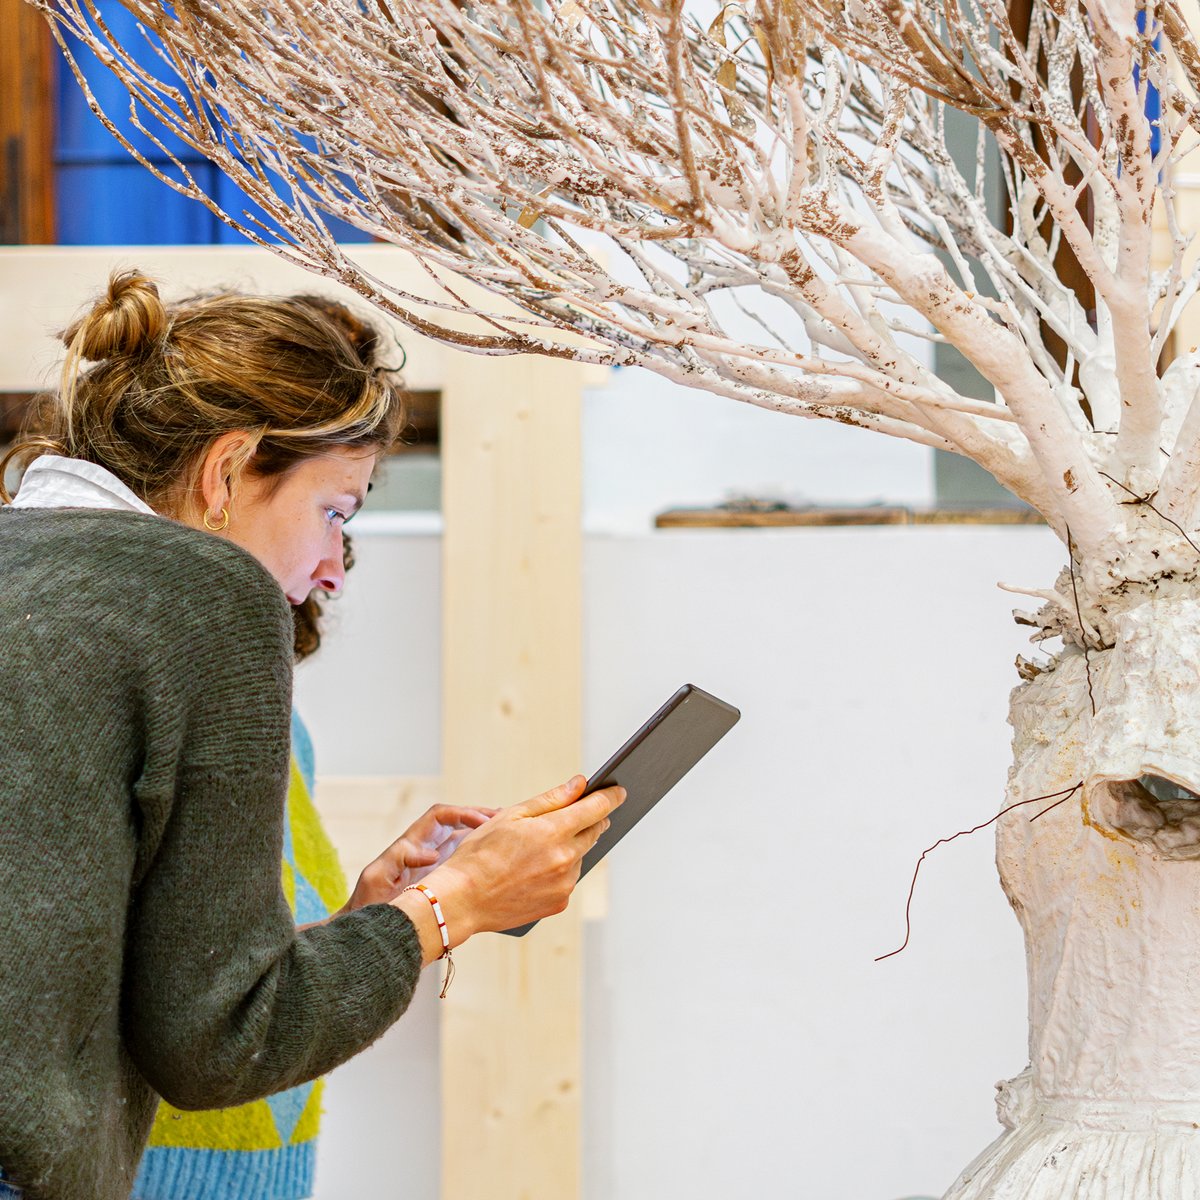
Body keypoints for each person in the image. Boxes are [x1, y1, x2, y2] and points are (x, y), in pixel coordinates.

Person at [0, 270, 623, 1200]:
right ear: (225, 470)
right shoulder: (205, 598)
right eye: (335, 509)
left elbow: (82, 961)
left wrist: (362, 921)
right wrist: (453, 904)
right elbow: (216, 1047)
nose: (336, 560)